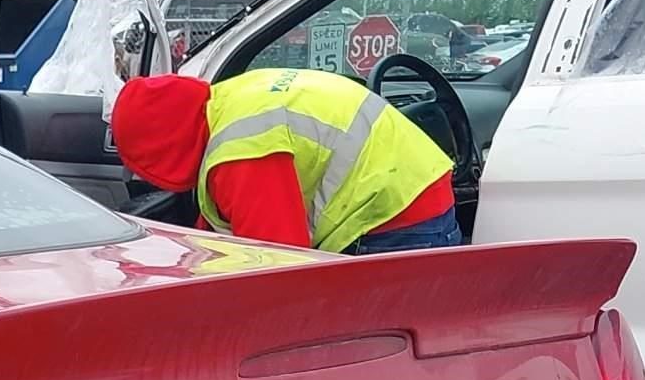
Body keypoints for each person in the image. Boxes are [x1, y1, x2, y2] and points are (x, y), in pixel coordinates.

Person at [109, 64, 463, 255]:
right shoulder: (230, 98)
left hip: (393, 223)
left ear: (162, 149)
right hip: (414, 192)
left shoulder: (240, 152)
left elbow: (279, 262)